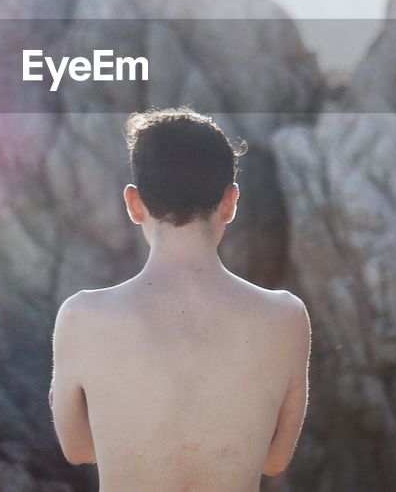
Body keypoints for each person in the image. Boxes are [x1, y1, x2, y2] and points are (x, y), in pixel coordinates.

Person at [49, 106, 312, 491]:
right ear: (230, 201)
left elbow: (77, 449)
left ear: (134, 204)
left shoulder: (82, 317)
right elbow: (274, 459)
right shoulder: (287, 317)